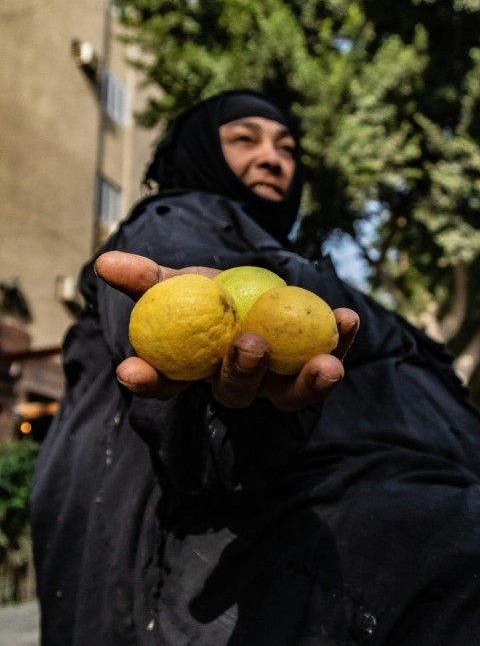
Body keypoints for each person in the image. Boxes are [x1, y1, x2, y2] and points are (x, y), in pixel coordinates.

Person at [30, 89, 480, 646]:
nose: (273, 157)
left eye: (287, 148)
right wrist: (229, 403)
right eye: (245, 139)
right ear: (200, 152)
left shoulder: (289, 261)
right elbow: (188, 416)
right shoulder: (176, 219)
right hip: (224, 560)